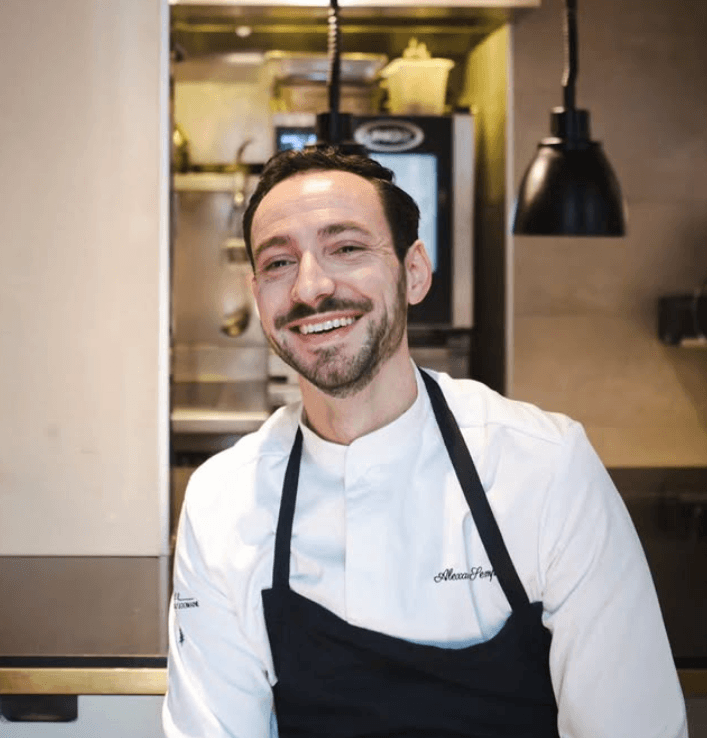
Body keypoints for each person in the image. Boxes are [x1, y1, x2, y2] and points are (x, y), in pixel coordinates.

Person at [163, 146, 687, 738]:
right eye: (279, 262)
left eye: (347, 248)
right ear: (258, 294)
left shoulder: (544, 468)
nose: (311, 287)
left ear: (414, 272)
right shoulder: (222, 502)